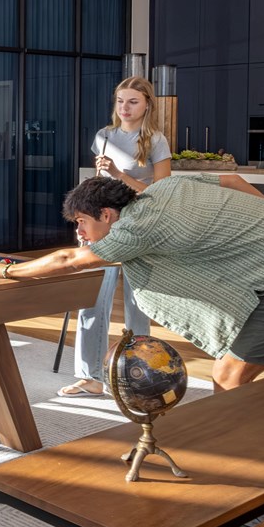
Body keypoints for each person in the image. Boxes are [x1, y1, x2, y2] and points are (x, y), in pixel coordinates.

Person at [0, 174, 264, 392]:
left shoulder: (134, 231)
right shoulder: (165, 186)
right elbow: (231, 180)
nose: (80, 231)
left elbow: (68, 260)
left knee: (229, 376)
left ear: (106, 214)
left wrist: (6, 271)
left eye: (81, 221)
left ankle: (236, 457)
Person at [58, 76, 171, 397]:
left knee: (138, 305)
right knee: (92, 299)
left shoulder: (156, 141)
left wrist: (120, 176)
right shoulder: (104, 137)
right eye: (120, 101)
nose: (125, 107)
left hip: (140, 227)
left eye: (133, 101)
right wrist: (85, 223)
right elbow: (96, 184)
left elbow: (162, 193)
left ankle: (139, 374)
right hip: (104, 226)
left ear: (147, 104)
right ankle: (90, 376)